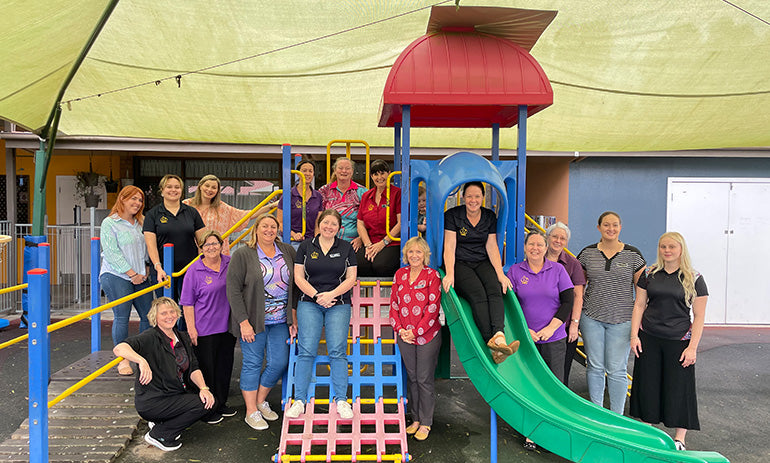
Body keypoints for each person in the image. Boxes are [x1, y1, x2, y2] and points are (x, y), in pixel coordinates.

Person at [630, 232, 708, 451]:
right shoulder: (650, 273)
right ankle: (648, 433)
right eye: (663, 246)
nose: (667, 251)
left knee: (678, 388)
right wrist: (634, 335)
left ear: (681, 249)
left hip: (679, 340)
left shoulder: (694, 278)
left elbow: (699, 316)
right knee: (648, 385)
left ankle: (679, 438)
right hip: (649, 337)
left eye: (672, 247)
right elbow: (639, 305)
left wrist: (692, 347)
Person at [113, 297, 220, 452]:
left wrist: (204, 388)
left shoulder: (182, 337)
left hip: (173, 394)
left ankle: (162, 422)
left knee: (209, 399)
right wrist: (141, 361)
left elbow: (194, 368)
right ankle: (160, 434)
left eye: (172, 312)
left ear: (177, 314)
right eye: (163, 313)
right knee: (201, 404)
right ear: (155, 317)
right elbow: (119, 348)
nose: (169, 316)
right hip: (153, 401)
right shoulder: (150, 337)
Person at [227, 214, 298, 431]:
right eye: (264, 226)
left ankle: (260, 400)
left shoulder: (287, 251)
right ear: (255, 229)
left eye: (273, 226)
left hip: (280, 321)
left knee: (279, 362)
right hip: (253, 320)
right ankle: (251, 412)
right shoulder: (243, 254)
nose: (269, 230)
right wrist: (243, 321)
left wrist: (293, 318)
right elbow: (233, 289)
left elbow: (295, 287)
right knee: (252, 363)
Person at [286, 209, 358, 420]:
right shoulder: (306, 246)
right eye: (325, 223)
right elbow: (299, 278)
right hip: (310, 302)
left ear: (339, 227)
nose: (329, 227)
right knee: (307, 350)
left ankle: (342, 400)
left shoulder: (346, 247)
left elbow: (351, 278)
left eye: (333, 224)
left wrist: (332, 295)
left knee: (337, 351)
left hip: (339, 302)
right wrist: (318, 296)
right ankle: (299, 400)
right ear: (319, 224)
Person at [507, 232, 574, 451]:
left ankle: (554, 430)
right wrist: (525, 330)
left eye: (539, 244)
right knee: (528, 385)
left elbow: (568, 301)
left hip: (554, 338)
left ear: (546, 248)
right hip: (526, 339)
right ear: (525, 247)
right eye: (531, 244)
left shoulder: (558, 270)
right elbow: (511, 305)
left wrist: (550, 328)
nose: (535, 248)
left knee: (553, 386)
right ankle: (531, 432)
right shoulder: (516, 271)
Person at [442, 182, 519, 364]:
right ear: (463, 197)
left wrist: (500, 274)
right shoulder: (453, 215)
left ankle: (499, 335)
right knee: (478, 294)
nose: (473, 200)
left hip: (481, 261)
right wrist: (450, 273)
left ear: (483, 197)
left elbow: (491, 246)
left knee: (495, 289)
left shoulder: (488, 216)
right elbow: (450, 246)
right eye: (469, 196)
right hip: (460, 263)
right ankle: (490, 340)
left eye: (477, 196)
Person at [577, 211, 645, 414]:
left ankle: (617, 416)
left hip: (623, 319)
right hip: (592, 318)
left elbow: (642, 293)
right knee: (595, 367)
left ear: (620, 227)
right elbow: (580, 285)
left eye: (615, 225)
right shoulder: (587, 253)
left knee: (617, 370)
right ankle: (597, 413)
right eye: (606, 225)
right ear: (598, 228)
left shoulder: (633, 255)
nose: (611, 229)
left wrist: (638, 322)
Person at [179, 231, 237, 418]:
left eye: (214, 243)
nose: (211, 247)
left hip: (227, 326)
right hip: (204, 328)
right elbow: (187, 303)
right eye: (206, 245)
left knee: (224, 366)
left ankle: (221, 403)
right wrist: (191, 328)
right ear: (201, 248)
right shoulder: (194, 270)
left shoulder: (230, 263)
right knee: (207, 369)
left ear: (221, 245)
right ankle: (206, 409)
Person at [389, 237, 441, 441]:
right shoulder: (400, 274)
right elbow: (393, 304)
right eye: (411, 252)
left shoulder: (432, 276)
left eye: (419, 252)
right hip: (405, 335)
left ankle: (426, 422)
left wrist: (416, 331)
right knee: (412, 378)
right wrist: (401, 329)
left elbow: (433, 308)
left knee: (424, 379)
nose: (414, 255)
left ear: (425, 255)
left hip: (427, 335)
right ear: (406, 255)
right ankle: (416, 419)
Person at [100, 185, 154, 376]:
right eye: (133, 199)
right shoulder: (109, 223)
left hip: (141, 275)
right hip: (117, 275)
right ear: (122, 199)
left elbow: (149, 247)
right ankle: (123, 360)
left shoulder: (142, 222)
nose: (137, 203)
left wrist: (146, 268)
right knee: (122, 316)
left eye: (140, 200)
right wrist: (132, 273)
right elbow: (112, 253)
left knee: (149, 315)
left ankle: (141, 355)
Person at [143, 174, 206, 306]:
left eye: (177, 187)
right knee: (166, 306)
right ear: (162, 191)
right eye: (169, 187)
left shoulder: (191, 213)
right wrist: (158, 267)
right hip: (163, 271)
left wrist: (201, 264)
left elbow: (202, 242)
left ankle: (184, 328)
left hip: (188, 269)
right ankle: (170, 328)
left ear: (181, 191)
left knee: (187, 306)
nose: (173, 190)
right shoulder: (152, 215)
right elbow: (151, 246)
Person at [184, 174, 276, 255]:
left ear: (217, 191)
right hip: (191, 254)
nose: (209, 190)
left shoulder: (223, 208)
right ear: (200, 186)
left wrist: (271, 206)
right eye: (207, 186)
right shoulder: (186, 205)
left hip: (217, 255)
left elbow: (248, 215)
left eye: (214, 187)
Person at [544, 222, 586, 387]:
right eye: (555, 236)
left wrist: (574, 325)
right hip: (537, 326)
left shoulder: (573, 264)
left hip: (564, 327)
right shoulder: (536, 257)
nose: (558, 240)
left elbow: (578, 296)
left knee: (561, 373)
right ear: (548, 237)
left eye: (562, 238)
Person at [356, 159, 401, 278]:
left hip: (391, 242)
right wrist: (367, 245)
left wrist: (383, 243)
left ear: (389, 173)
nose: (379, 177)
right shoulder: (366, 195)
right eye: (376, 174)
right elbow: (360, 223)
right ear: (371, 176)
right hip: (371, 242)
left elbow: (400, 223)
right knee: (358, 264)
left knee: (381, 265)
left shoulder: (397, 193)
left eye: (382, 173)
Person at [317, 157, 367, 250]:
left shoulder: (362, 192)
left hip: (354, 243)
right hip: (327, 241)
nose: (344, 171)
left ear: (352, 171)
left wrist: (361, 238)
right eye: (340, 168)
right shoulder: (324, 191)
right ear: (335, 170)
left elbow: (369, 219)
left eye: (347, 168)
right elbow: (318, 217)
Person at [276, 159, 324, 242]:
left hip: (311, 241)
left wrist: (317, 241)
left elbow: (318, 222)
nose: (307, 174)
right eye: (304, 171)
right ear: (298, 174)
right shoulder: (289, 195)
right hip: (291, 240)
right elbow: (280, 222)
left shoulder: (318, 196)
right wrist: (293, 234)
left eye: (310, 171)